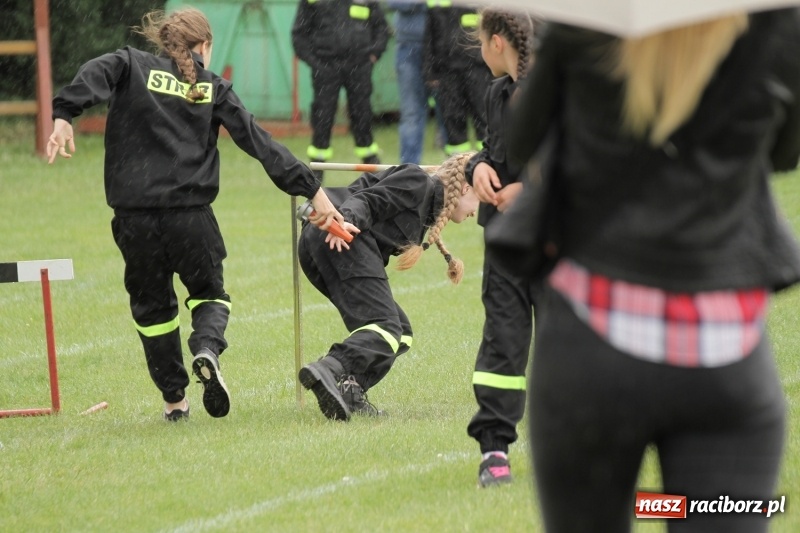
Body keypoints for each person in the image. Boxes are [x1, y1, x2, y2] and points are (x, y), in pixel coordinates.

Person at [506, 9, 800, 532]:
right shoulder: (774, 21)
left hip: (589, 348)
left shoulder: (588, 20)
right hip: (726, 357)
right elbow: (783, 151)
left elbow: (524, 138)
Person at [46, 7, 344, 422]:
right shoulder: (212, 87)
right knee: (209, 295)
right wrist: (312, 189)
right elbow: (261, 144)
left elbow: (95, 73)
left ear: (164, 40)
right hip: (190, 218)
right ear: (205, 46)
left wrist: (64, 114)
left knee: (153, 312)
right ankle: (206, 347)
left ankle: (175, 402)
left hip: (134, 220)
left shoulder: (130, 64)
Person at [297, 152, 479, 421]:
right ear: (465, 188)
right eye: (479, 198)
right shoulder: (418, 181)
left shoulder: (429, 202)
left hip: (330, 244)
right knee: (386, 328)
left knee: (400, 332)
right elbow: (367, 201)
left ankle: (351, 390)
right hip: (340, 235)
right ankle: (329, 368)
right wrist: (344, 220)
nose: (476, 211)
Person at [463, 7, 535, 488]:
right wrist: (479, 168)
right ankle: (494, 450)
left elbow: (578, 162)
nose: (477, 48)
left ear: (497, 42)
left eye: (479, 39)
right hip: (505, 244)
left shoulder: (557, 89)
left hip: (556, 244)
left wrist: (528, 192)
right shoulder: (496, 92)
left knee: (568, 347)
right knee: (503, 342)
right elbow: (495, 151)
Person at [291, 0, 390, 182]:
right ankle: (317, 167)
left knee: (362, 113)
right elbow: (299, 35)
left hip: (359, 65)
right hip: (325, 65)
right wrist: (315, 63)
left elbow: (382, 28)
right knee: (323, 115)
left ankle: (371, 163)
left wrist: (373, 54)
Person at [423, 0, 492, 156]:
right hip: (447, 70)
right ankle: (459, 164)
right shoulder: (436, 3)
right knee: (453, 119)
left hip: (477, 69)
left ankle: (489, 160)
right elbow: (429, 37)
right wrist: (429, 71)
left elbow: (491, 31)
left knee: (484, 118)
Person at [388, 0, 447, 164]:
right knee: (411, 114)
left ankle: (456, 171)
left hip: (442, 47)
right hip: (409, 49)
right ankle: (409, 172)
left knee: (449, 113)